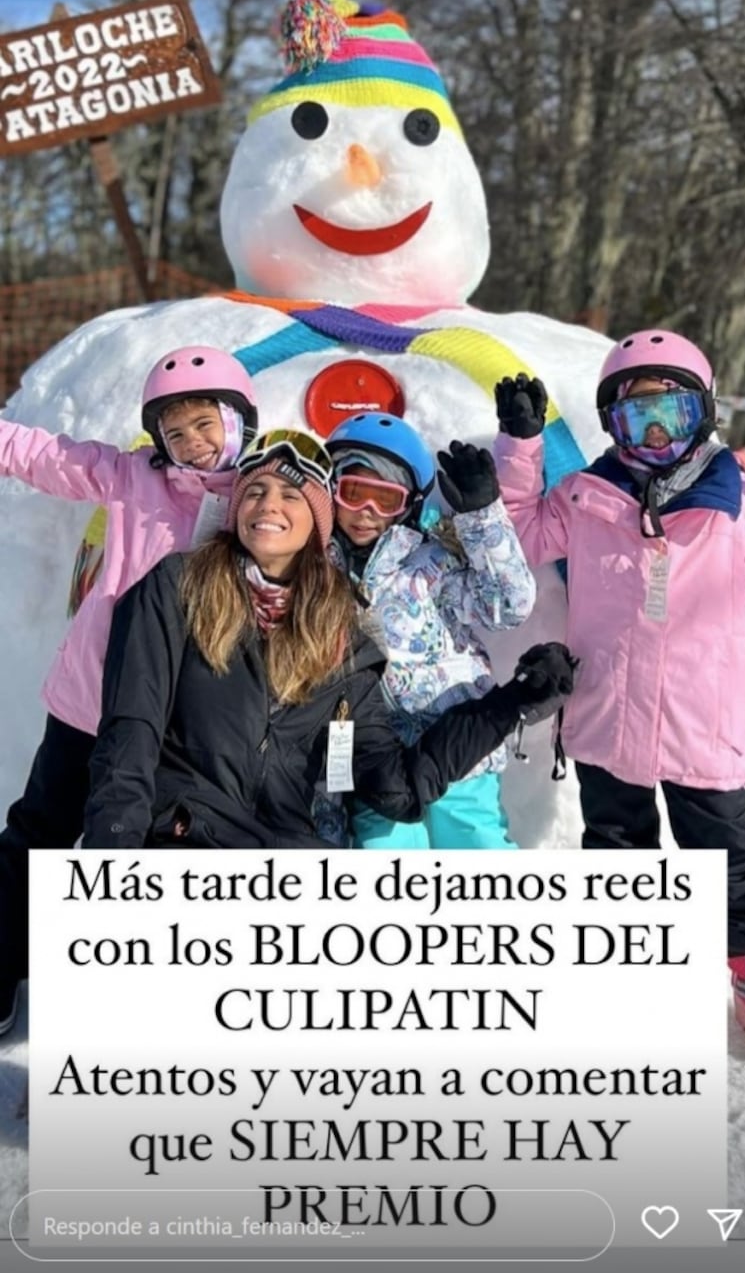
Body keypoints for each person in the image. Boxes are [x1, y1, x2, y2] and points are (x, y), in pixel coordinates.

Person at [82, 429, 574, 851]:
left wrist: (511, 702)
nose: (269, 506)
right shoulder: (179, 588)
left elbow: (397, 785)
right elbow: (132, 728)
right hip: (187, 844)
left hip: (308, 835)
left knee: (474, 849)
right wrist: (118, 854)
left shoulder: (337, 625)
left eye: (291, 496)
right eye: (254, 492)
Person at [494, 329, 745, 1059]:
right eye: (631, 417)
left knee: (729, 861)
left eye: (668, 415)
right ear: (609, 423)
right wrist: (520, 448)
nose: (650, 433)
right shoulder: (585, 493)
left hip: (698, 724)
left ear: (702, 414)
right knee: (616, 850)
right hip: (607, 716)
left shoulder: (743, 503)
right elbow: (519, 537)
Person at [0, 346, 257, 1034]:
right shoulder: (132, 478)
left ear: (239, 419)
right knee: (38, 833)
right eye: (175, 434)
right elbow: (43, 454)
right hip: (92, 700)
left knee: (152, 858)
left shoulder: (261, 498)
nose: (192, 443)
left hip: (179, 723)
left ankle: (134, 1011)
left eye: (206, 423)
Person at [325, 413, 536, 849]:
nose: (366, 513)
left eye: (385, 499)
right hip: (376, 761)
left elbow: (508, 606)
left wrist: (483, 518)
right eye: (354, 493)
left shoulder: (430, 563)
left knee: (476, 849)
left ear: (409, 504)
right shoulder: (316, 571)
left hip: (455, 750)